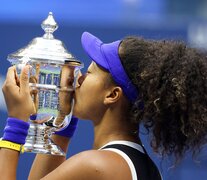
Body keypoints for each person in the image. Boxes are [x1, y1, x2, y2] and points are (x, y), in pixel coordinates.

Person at [0, 31, 207, 180]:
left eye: (89, 73)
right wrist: (65, 120)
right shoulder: (140, 166)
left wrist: (16, 123)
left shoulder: (96, 165)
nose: (78, 80)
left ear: (112, 95)